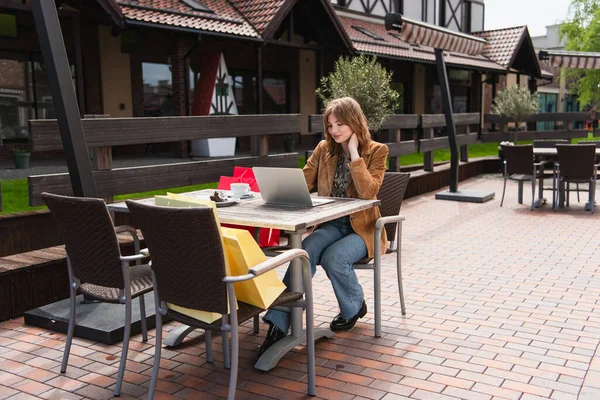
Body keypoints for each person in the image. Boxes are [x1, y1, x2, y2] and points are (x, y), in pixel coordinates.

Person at [259, 96, 389, 356]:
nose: (334, 131)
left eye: (340, 124)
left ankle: (354, 306)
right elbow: (305, 180)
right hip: (331, 224)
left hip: (362, 228)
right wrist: (281, 189)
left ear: (354, 122)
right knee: (303, 251)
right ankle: (279, 322)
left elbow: (368, 192)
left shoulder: (377, 150)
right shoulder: (323, 149)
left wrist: (354, 155)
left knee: (334, 258)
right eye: (330, 125)